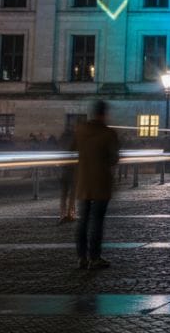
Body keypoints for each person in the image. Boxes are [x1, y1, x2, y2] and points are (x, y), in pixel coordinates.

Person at [73, 100, 120, 270]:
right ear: (104, 114)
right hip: (101, 182)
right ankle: (95, 257)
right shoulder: (109, 134)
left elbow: (72, 150)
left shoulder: (80, 130)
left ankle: (81, 257)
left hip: (83, 182)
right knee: (97, 222)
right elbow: (114, 158)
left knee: (83, 221)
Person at [58, 123, 77, 224]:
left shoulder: (62, 138)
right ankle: (71, 213)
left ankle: (62, 214)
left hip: (64, 168)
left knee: (64, 193)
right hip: (73, 168)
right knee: (72, 192)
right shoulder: (76, 138)